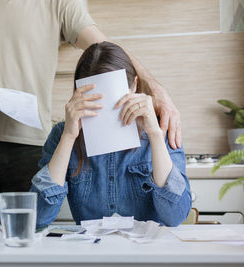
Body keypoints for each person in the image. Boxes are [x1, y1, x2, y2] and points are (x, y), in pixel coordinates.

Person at [0, 0, 182, 261]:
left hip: (28, 142)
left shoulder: (58, 3)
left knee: (27, 249)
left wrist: (155, 88)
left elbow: (107, 49)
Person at [30, 41, 191, 228]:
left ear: (134, 86)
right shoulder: (62, 135)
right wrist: (68, 137)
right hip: (93, 253)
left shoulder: (161, 129)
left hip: (148, 253)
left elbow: (176, 216)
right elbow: (38, 218)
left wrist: (154, 134)